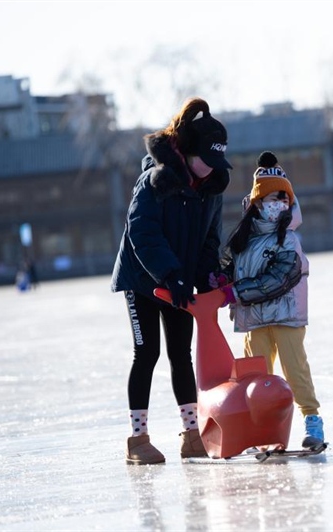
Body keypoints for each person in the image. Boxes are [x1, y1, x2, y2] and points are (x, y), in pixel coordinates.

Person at [110, 97, 232, 465]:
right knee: (147, 353)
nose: (211, 171)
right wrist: (170, 274)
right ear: (189, 151)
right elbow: (141, 232)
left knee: (182, 354)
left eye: (216, 164)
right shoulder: (154, 181)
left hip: (177, 282)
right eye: (206, 162)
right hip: (143, 279)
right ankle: (138, 439)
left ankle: (192, 435)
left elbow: (209, 240)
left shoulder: (208, 190)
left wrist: (209, 279)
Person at [215, 151, 325, 449]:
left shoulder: (288, 239)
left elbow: (279, 279)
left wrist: (236, 293)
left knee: (295, 370)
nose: (278, 205)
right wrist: (221, 280)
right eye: (271, 199)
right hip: (254, 320)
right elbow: (228, 266)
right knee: (256, 377)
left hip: (286, 316)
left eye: (284, 199)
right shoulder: (243, 239)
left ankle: (312, 420)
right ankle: (265, 429)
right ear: (257, 203)